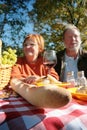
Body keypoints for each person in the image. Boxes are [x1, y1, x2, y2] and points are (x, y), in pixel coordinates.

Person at [10, 34, 72, 108]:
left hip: (45, 94)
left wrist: (39, 79)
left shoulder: (44, 61)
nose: (27, 47)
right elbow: (14, 77)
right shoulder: (18, 61)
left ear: (40, 48)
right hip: (24, 95)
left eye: (32, 44)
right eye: (25, 45)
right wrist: (29, 79)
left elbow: (54, 77)